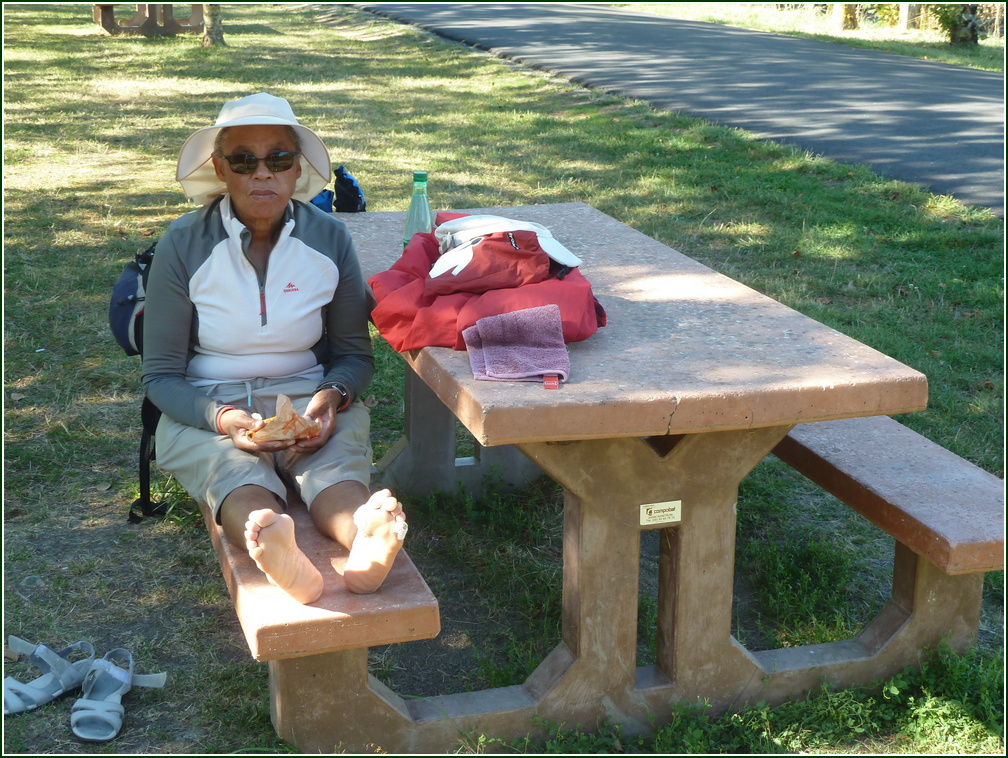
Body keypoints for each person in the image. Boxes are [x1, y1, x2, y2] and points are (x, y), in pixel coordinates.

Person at [142, 92, 405, 604]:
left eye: (278, 159)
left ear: (296, 167)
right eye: (243, 160)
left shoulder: (329, 237)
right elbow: (160, 376)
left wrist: (330, 401)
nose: (262, 174)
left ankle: (365, 538)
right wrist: (224, 420)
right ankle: (272, 539)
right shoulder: (183, 242)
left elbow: (353, 353)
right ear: (220, 168)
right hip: (208, 399)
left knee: (334, 466)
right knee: (235, 473)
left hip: (307, 392)